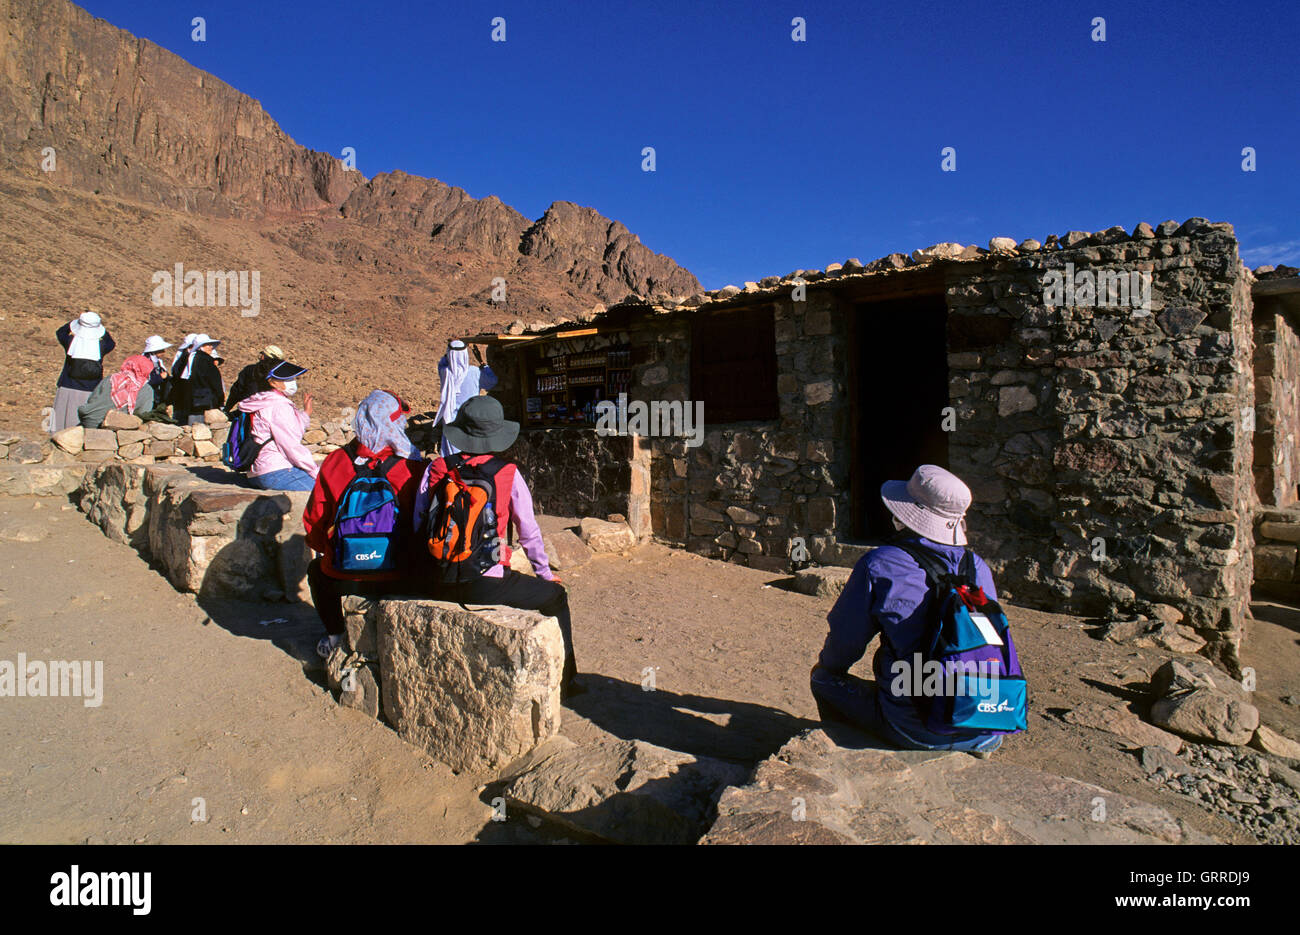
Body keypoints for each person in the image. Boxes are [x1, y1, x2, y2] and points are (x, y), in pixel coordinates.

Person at [810, 464, 1004, 756]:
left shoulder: (881, 564)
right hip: (988, 720)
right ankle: (971, 740)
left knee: (823, 679)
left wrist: (831, 668)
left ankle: (853, 753)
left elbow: (845, 642)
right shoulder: (977, 567)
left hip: (915, 725)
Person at [413, 395, 581, 697]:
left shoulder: (437, 468)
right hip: (484, 582)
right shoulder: (507, 474)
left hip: (435, 578)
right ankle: (567, 682)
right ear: (497, 434)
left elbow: (418, 522)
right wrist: (544, 575)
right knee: (556, 597)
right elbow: (528, 532)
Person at [302, 390, 425, 659]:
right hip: (399, 577)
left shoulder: (335, 461)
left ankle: (334, 634)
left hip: (342, 577)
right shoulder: (413, 467)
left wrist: (334, 552)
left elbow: (314, 520)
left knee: (316, 572)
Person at [237, 359, 318, 491]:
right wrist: (314, 471)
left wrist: (306, 413)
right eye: (287, 379)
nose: (293, 382)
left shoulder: (260, 400)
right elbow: (291, 445)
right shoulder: (279, 406)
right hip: (275, 472)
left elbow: (288, 429)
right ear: (272, 382)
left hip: (256, 472)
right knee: (327, 491)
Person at [51, 309, 115, 433]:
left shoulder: (70, 343)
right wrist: (99, 329)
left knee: (62, 421)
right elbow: (111, 343)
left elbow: (60, 332)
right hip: (91, 388)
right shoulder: (101, 347)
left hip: (68, 385)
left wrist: (74, 324)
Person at [431, 339, 497, 456]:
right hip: (470, 421)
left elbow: (443, 361)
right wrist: (483, 363)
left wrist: (450, 350)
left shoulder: (445, 372)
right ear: (465, 354)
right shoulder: (475, 372)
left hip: (451, 421)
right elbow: (492, 381)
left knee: (450, 458)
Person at [77, 355, 155, 429]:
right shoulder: (146, 390)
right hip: (110, 425)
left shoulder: (112, 378)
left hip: (88, 418)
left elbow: (92, 399)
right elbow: (143, 413)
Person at [175, 334, 224, 424]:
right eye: (208, 345)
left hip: (191, 399)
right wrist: (220, 398)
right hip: (206, 400)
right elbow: (215, 381)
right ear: (201, 346)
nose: (211, 347)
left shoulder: (190, 359)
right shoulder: (206, 360)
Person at [225, 344, 284, 413]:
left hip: (249, 409)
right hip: (273, 411)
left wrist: (227, 408)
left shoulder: (250, 370)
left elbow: (237, 390)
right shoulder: (281, 375)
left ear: (263, 356)